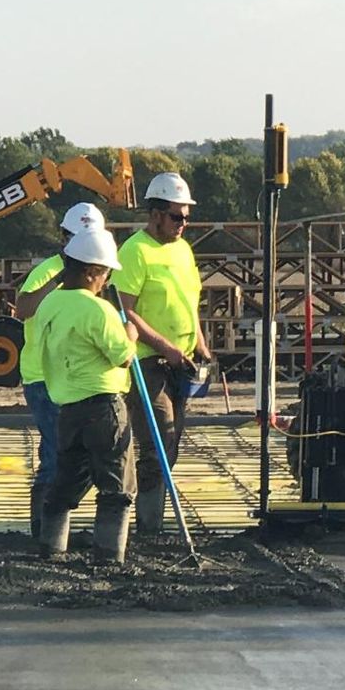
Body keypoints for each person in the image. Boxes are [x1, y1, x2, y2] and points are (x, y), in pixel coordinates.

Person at [113, 171, 209, 537]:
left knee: (171, 445)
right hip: (149, 364)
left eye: (186, 217)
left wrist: (199, 341)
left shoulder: (182, 250)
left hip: (180, 362)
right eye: (176, 216)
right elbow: (126, 310)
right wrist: (164, 347)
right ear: (154, 214)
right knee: (156, 447)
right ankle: (148, 528)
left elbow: (188, 300)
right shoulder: (135, 252)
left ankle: (153, 521)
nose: (183, 223)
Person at [36, 228, 136, 563]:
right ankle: (109, 556)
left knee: (66, 481)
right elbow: (122, 355)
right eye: (105, 273)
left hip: (67, 409)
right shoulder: (99, 310)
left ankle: (51, 546)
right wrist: (131, 335)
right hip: (104, 406)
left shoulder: (50, 303)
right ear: (92, 271)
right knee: (116, 486)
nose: (106, 281)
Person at [16, 202, 109, 540]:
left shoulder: (99, 273)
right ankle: (46, 530)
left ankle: (53, 527)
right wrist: (60, 277)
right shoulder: (50, 271)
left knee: (71, 453)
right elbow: (23, 309)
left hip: (74, 379)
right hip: (43, 376)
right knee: (57, 453)